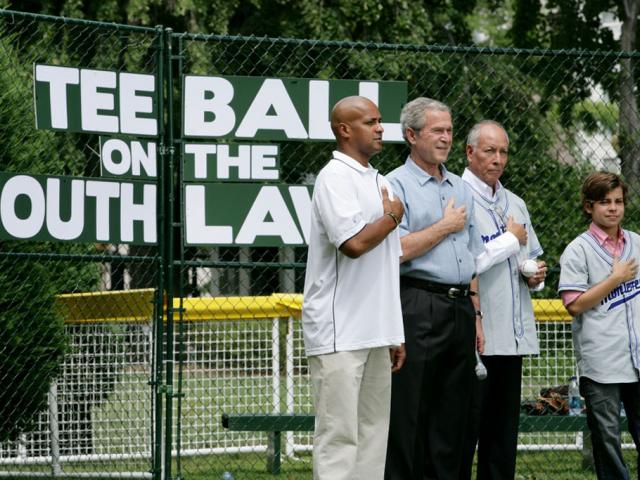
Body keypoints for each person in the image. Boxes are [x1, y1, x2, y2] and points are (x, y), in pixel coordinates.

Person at [301, 95, 406, 480]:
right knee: (339, 439)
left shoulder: (379, 180)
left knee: (373, 437)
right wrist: (393, 215)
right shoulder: (334, 177)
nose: (380, 128)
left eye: (380, 121)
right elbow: (355, 245)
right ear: (344, 130)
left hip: (376, 332)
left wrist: (393, 331)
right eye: (370, 122)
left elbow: (386, 264)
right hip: (338, 332)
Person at [384, 97, 485, 480]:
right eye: (436, 131)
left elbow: (472, 255)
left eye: (449, 130)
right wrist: (444, 226)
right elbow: (394, 251)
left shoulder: (462, 186)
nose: (446, 138)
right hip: (417, 302)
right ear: (411, 135)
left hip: (460, 308)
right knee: (411, 412)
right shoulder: (394, 185)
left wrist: (476, 314)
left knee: (453, 416)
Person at [461, 120, 546, 480]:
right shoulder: (457, 196)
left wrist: (536, 277)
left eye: (503, 152)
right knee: (464, 434)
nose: (498, 159)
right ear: (469, 152)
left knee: (502, 440)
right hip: (473, 334)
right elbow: (463, 263)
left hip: (511, 338)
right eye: (489, 150)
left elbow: (530, 257)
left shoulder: (516, 202)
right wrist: (510, 240)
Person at [559, 172, 640, 480]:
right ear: (588, 207)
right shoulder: (578, 250)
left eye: (618, 201)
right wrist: (615, 279)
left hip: (637, 356)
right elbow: (575, 304)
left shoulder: (636, 243)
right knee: (607, 439)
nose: (613, 208)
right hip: (602, 361)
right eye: (604, 202)